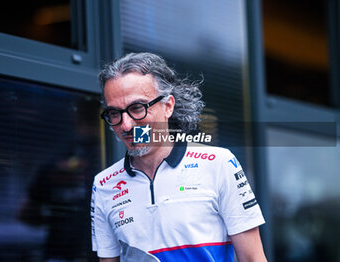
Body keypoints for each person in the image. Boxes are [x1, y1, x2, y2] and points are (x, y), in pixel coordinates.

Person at [91, 52, 267, 262]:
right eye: (114, 113)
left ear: (168, 106)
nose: (126, 125)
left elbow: (253, 258)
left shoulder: (219, 163)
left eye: (137, 108)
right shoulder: (103, 184)